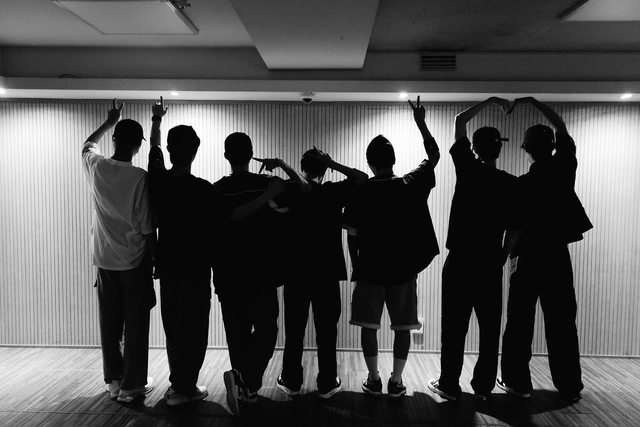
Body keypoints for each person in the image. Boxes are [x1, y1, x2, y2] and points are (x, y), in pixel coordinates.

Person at [343, 96, 440, 398]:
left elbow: (352, 234)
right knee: (403, 328)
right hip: (403, 270)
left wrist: (355, 265)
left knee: (368, 327)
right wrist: (421, 123)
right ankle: (396, 381)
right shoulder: (410, 183)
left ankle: (373, 379)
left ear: (370, 163)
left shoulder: (363, 191)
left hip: (370, 270)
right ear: (393, 160)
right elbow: (434, 155)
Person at [498, 97, 592, 403]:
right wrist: (534, 102)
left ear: (526, 149)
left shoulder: (522, 185)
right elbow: (562, 128)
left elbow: (515, 229)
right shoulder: (564, 168)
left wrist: (503, 258)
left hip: (527, 258)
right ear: (552, 146)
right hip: (556, 256)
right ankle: (569, 385)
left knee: (519, 323)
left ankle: (517, 383)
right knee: (562, 322)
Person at [427, 97, 516, 401]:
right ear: (499, 149)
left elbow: (459, 121)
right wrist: (501, 256)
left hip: (461, 261)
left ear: (474, 148)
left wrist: (490, 100)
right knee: (490, 330)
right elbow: (515, 229)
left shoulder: (467, 169)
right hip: (490, 263)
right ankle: (483, 387)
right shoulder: (510, 183)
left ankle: (449, 385)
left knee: (453, 328)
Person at [212, 132, 306, 415]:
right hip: (261, 274)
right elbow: (305, 190)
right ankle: (247, 386)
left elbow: (224, 222)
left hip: (228, 275)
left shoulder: (218, 190)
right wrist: (282, 168)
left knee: (238, 335)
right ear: (251, 154)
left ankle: (245, 387)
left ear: (226, 156)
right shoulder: (268, 185)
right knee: (267, 331)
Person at [273, 148, 368, 399]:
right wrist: (333, 163)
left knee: (294, 330)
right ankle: (327, 382)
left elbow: (273, 202)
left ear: (302, 166)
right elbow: (362, 178)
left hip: (296, 272)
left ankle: (291, 380)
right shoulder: (332, 192)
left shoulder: (290, 189)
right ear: (324, 169)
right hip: (326, 272)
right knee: (327, 331)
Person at [81, 99, 155, 403]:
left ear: (114, 139)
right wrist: (155, 261)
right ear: (138, 146)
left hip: (104, 260)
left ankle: (113, 381)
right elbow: (147, 226)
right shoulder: (139, 177)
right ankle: (132, 385)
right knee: (135, 325)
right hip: (134, 261)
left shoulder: (96, 166)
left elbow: (87, 146)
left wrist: (110, 120)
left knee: (109, 323)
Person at [147, 97, 212, 406]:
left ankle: (178, 386)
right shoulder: (204, 189)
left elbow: (153, 151)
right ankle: (187, 386)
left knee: (173, 327)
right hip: (197, 268)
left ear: (171, 151)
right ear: (195, 152)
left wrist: (157, 120)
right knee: (196, 329)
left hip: (168, 266)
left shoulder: (158, 181)